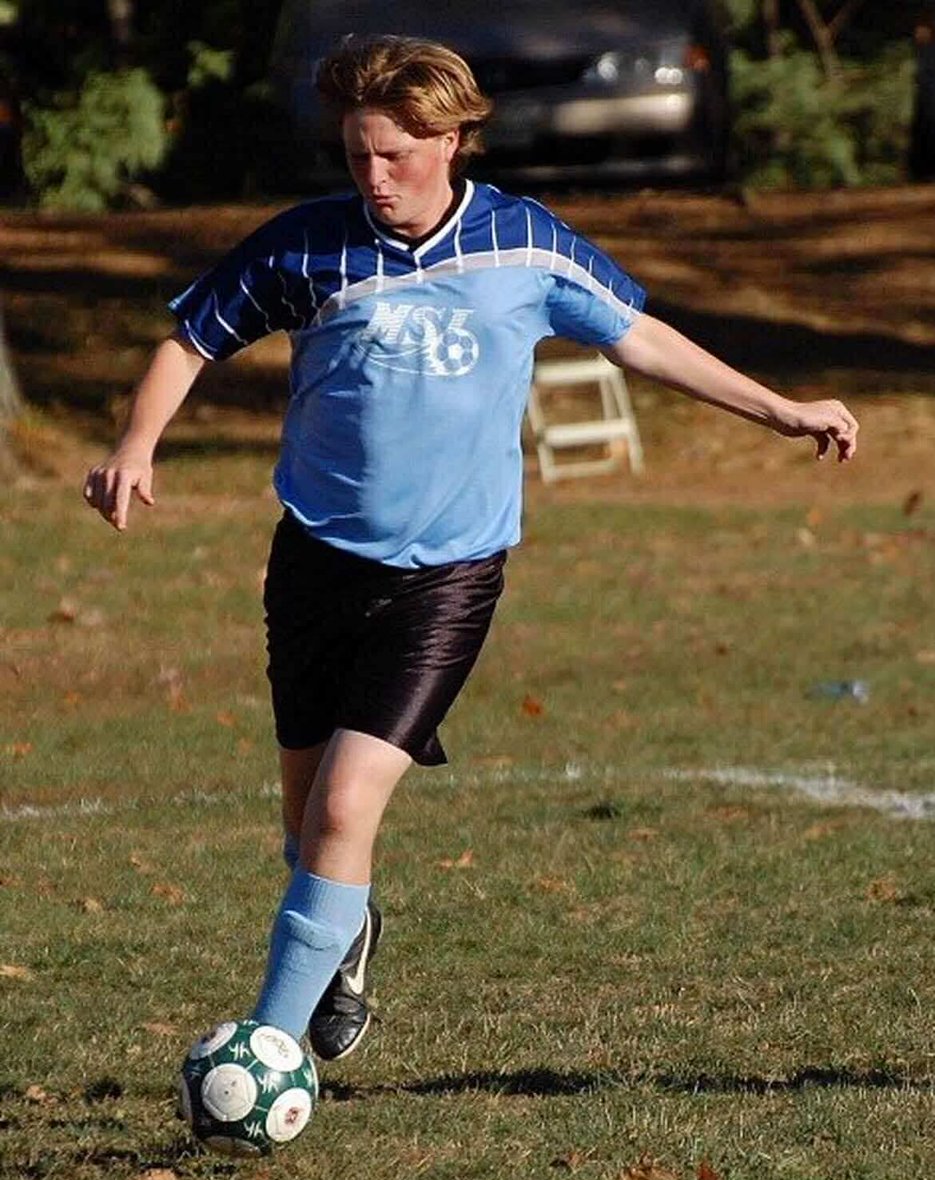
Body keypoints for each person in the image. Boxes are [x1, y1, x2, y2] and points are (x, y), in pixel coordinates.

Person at [83, 34, 859, 1067]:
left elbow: (638, 333)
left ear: (452, 141)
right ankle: (343, 933)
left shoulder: (523, 245)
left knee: (347, 804)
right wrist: (136, 445)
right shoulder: (305, 248)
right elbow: (189, 341)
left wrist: (776, 409)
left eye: (395, 154)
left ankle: (266, 1045)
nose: (373, 177)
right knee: (306, 815)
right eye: (357, 154)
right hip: (315, 562)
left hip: (445, 578)